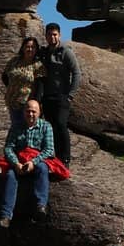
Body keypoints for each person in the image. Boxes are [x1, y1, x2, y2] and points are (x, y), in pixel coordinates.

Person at [0, 99, 54, 227]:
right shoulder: (16, 127)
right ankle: (6, 216)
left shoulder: (46, 127)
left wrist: (33, 162)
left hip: (37, 159)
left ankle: (40, 206)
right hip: (19, 161)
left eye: (34, 111)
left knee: (43, 169)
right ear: (23, 112)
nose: (30, 114)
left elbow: (49, 150)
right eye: (28, 111)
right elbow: (8, 147)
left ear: (39, 113)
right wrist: (15, 163)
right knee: (10, 175)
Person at [39, 22, 81, 167]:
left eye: (55, 34)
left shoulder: (65, 52)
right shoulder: (43, 53)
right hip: (47, 97)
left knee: (61, 125)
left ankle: (65, 159)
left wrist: (70, 95)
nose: (52, 37)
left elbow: (76, 73)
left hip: (62, 96)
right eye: (50, 34)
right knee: (51, 128)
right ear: (46, 36)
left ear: (59, 35)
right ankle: (55, 158)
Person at [1, 36, 45, 126]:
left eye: (33, 47)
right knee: (16, 128)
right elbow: (5, 76)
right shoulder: (14, 61)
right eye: (27, 46)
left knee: (27, 130)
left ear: (36, 49)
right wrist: (13, 87)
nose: (30, 49)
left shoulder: (38, 65)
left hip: (28, 105)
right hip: (13, 101)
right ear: (23, 48)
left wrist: (35, 103)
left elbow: (40, 86)